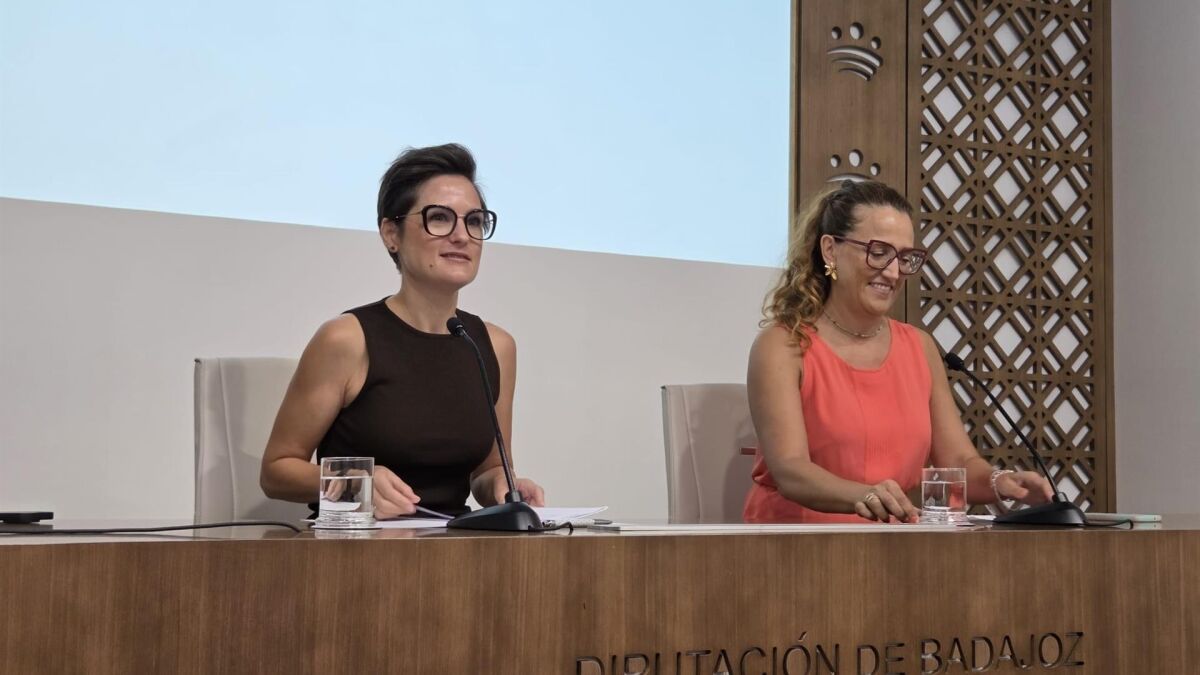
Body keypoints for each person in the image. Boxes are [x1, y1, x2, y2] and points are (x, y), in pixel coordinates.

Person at [260, 143, 545, 518]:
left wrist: (503, 487)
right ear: (391, 234)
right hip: (354, 543)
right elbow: (276, 471)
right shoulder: (347, 339)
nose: (462, 236)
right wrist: (356, 482)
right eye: (439, 218)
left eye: (475, 221)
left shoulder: (495, 345)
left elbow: (487, 469)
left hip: (454, 542)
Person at [743, 180, 1052, 523]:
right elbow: (791, 470)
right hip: (795, 544)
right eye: (878, 252)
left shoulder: (919, 346)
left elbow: (957, 463)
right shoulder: (783, 345)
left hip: (895, 542)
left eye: (905, 258)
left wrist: (999, 482)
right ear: (830, 250)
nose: (893, 272)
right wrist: (863, 496)